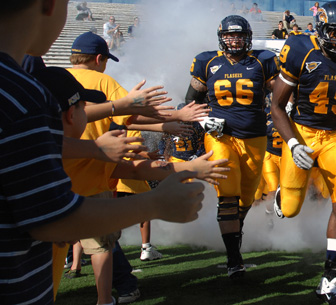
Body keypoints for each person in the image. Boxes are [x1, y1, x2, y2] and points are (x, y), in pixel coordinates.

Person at [0, 2, 207, 303]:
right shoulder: (22, 92)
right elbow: (52, 221)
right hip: (22, 278)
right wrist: (156, 203)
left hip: (75, 190)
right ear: (49, 5)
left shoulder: (27, 83)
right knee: (102, 248)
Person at [269, 2, 336, 304]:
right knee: (290, 209)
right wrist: (292, 144)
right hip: (301, 130)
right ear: (321, 30)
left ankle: (331, 279)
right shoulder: (300, 49)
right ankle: (282, 195)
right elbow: (276, 108)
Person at [186, 15, 279, 279]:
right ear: (221, 38)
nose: (234, 40)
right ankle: (233, 259)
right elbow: (190, 101)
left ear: (247, 37)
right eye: (229, 36)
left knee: (247, 197)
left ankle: (234, 238)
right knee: (228, 194)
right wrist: (205, 121)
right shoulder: (207, 62)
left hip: (255, 137)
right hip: (220, 136)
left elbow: (280, 95)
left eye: (239, 36)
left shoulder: (263, 61)